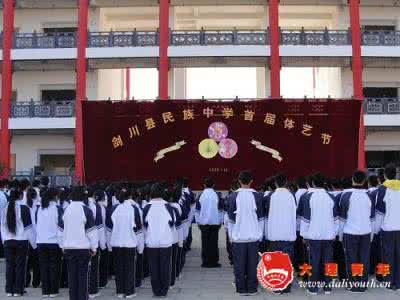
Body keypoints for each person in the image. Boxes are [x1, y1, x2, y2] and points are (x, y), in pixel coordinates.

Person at [297, 173, 338, 295]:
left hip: (313, 235)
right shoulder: (330, 197)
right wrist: (334, 233)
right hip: (329, 235)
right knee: (328, 260)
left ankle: (313, 287)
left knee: (313, 261)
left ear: (313, 183)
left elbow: (305, 219)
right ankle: (328, 287)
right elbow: (336, 218)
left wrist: (304, 235)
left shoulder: (308, 197)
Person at [227, 170, 264, 296]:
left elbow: (230, 220)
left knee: (239, 264)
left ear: (239, 181)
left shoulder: (232, 197)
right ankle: (252, 288)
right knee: (253, 264)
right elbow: (261, 219)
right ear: (251, 181)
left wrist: (231, 237)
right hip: (254, 236)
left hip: (238, 237)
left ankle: (241, 288)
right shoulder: (258, 196)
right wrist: (260, 234)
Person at [58, 186, 98, 300]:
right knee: (83, 277)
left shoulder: (66, 209)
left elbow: (60, 231)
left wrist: (62, 245)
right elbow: (92, 231)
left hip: (69, 248)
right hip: (83, 248)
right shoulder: (86, 210)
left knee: (72, 277)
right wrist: (94, 247)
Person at [338, 170, 375, 292]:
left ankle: (354, 284)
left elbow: (342, 218)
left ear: (353, 180)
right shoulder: (369, 195)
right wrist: (372, 234)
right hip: (366, 232)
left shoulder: (346, 195)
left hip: (350, 232)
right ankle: (363, 284)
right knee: (364, 258)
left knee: (352, 259)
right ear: (364, 181)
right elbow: (372, 218)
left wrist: (340, 236)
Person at [106, 188, 143, 298]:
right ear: (130, 196)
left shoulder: (113, 209)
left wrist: (109, 245)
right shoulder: (133, 208)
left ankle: (120, 291)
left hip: (116, 242)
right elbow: (138, 229)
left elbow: (108, 229)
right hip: (130, 242)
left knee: (118, 268)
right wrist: (140, 246)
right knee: (130, 268)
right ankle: (129, 292)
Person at [264, 173, 297, 294]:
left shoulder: (270, 196)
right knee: (288, 261)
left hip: (274, 233)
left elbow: (266, 215)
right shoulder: (292, 196)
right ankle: (286, 286)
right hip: (288, 233)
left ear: (275, 183)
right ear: (286, 182)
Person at [1, 188, 37, 297]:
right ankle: (18, 290)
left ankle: (9, 289)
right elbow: (29, 228)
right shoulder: (24, 208)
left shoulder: (4, 208)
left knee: (9, 265)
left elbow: (1, 226)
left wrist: (4, 240)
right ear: (21, 196)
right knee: (20, 266)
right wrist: (34, 244)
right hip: (21, 241)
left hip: (8, 240)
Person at [143, 183, 175, 298]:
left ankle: (156, 290)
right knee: (165, 266)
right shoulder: (168, 207)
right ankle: (164, 291)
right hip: (165, 241)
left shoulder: (147, 207)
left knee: (153, 267)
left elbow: (144, 226)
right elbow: (172, 224)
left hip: (151, 241)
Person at [375, 164, 400, 290]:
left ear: (384, 175)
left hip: (387, 228)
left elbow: (380, 212)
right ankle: (399, 282)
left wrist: (376, 229)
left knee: (388, 255)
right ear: (395, 174)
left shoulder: (382, 189)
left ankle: (389, 282)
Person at [35, 188, 62, 297]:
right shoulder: (57, 208)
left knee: (44, 266)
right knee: (54, 267)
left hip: (41, 241)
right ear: (55, 196)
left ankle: (45, 291)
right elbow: (61, 226)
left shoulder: (40, 208)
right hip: (54, 242)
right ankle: (53, 290)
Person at [195, 177, 223, 268]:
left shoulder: (200, 195)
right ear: (213, 185)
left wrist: (198, 221)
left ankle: (205, 261)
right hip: (215, 222)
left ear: (204, 185)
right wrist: (220, 221)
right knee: (214, 243)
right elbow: (220, 210)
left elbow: (197, 210)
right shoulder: (217, 195)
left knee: (205, 242)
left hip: (203, 222)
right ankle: (214, 262)